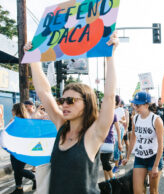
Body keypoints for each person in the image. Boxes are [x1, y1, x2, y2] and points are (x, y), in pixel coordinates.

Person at [23, 32, 118, 194]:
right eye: (62, 100)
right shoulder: (62, 126)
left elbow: (109, 97)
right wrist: (33, 59)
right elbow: (44, 92)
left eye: (71, 101)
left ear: (87, 104)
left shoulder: (93, 134)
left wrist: (110, 57)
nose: (64, 104)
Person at [122, 91, 164, 194]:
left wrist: (155, 165)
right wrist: (127, 156)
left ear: (146, 105)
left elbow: (160, 144)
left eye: (137, 105)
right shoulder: (135, 118)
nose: (135, 107)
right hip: (139, 158)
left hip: (153, 158)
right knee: (137, 191)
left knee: (153, 191)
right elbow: (133, 139)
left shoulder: (156, 120)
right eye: (134, 104)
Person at [10, 103, 36, 194]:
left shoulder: (26, 122)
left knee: (19, 169)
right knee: (16, 169)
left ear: (17, 111)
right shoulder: (13, 121)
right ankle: (19, 188)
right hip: (13, 149)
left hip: (23, 150)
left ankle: (34, 178)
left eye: (13, 109)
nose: (11, 111)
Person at [100, 113, 122, 181]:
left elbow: (118, 130)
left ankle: (113, 180)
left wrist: (119, 143)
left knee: (105, 161)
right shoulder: (100, 114)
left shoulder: (113, 115)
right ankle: (107, 182)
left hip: (109, 141)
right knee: (103, 162)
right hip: (100, 142)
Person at [112, 95, 126, 173]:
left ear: (116, 101)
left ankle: (116, 166)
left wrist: (119, 121)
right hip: (112, 131)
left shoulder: (120, 110)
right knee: (117, 148)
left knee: (116, 149)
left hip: (119, 130)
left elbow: (125, 121)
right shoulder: (110, 109)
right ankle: (121, 158)